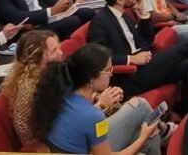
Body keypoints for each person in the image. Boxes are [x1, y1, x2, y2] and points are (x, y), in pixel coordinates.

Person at [31, 42, 163, 155]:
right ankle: (163, 131)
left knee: (141, 115)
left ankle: (161, 131)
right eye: (107, 69)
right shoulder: (93, 116)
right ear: (90, 78)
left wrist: (100, 102)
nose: (111, 73)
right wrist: (143, 136)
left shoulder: (60, 90)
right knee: (143, 133)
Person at [86, 0, 188, 104]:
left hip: (146, 63)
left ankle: (182, 111)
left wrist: (143, 14)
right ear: (120, 0)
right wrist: (131, 59)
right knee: (186, 47)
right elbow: (98, 59)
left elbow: (147, 41)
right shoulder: (100, 22)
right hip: (129, 75)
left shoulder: (125, 15)